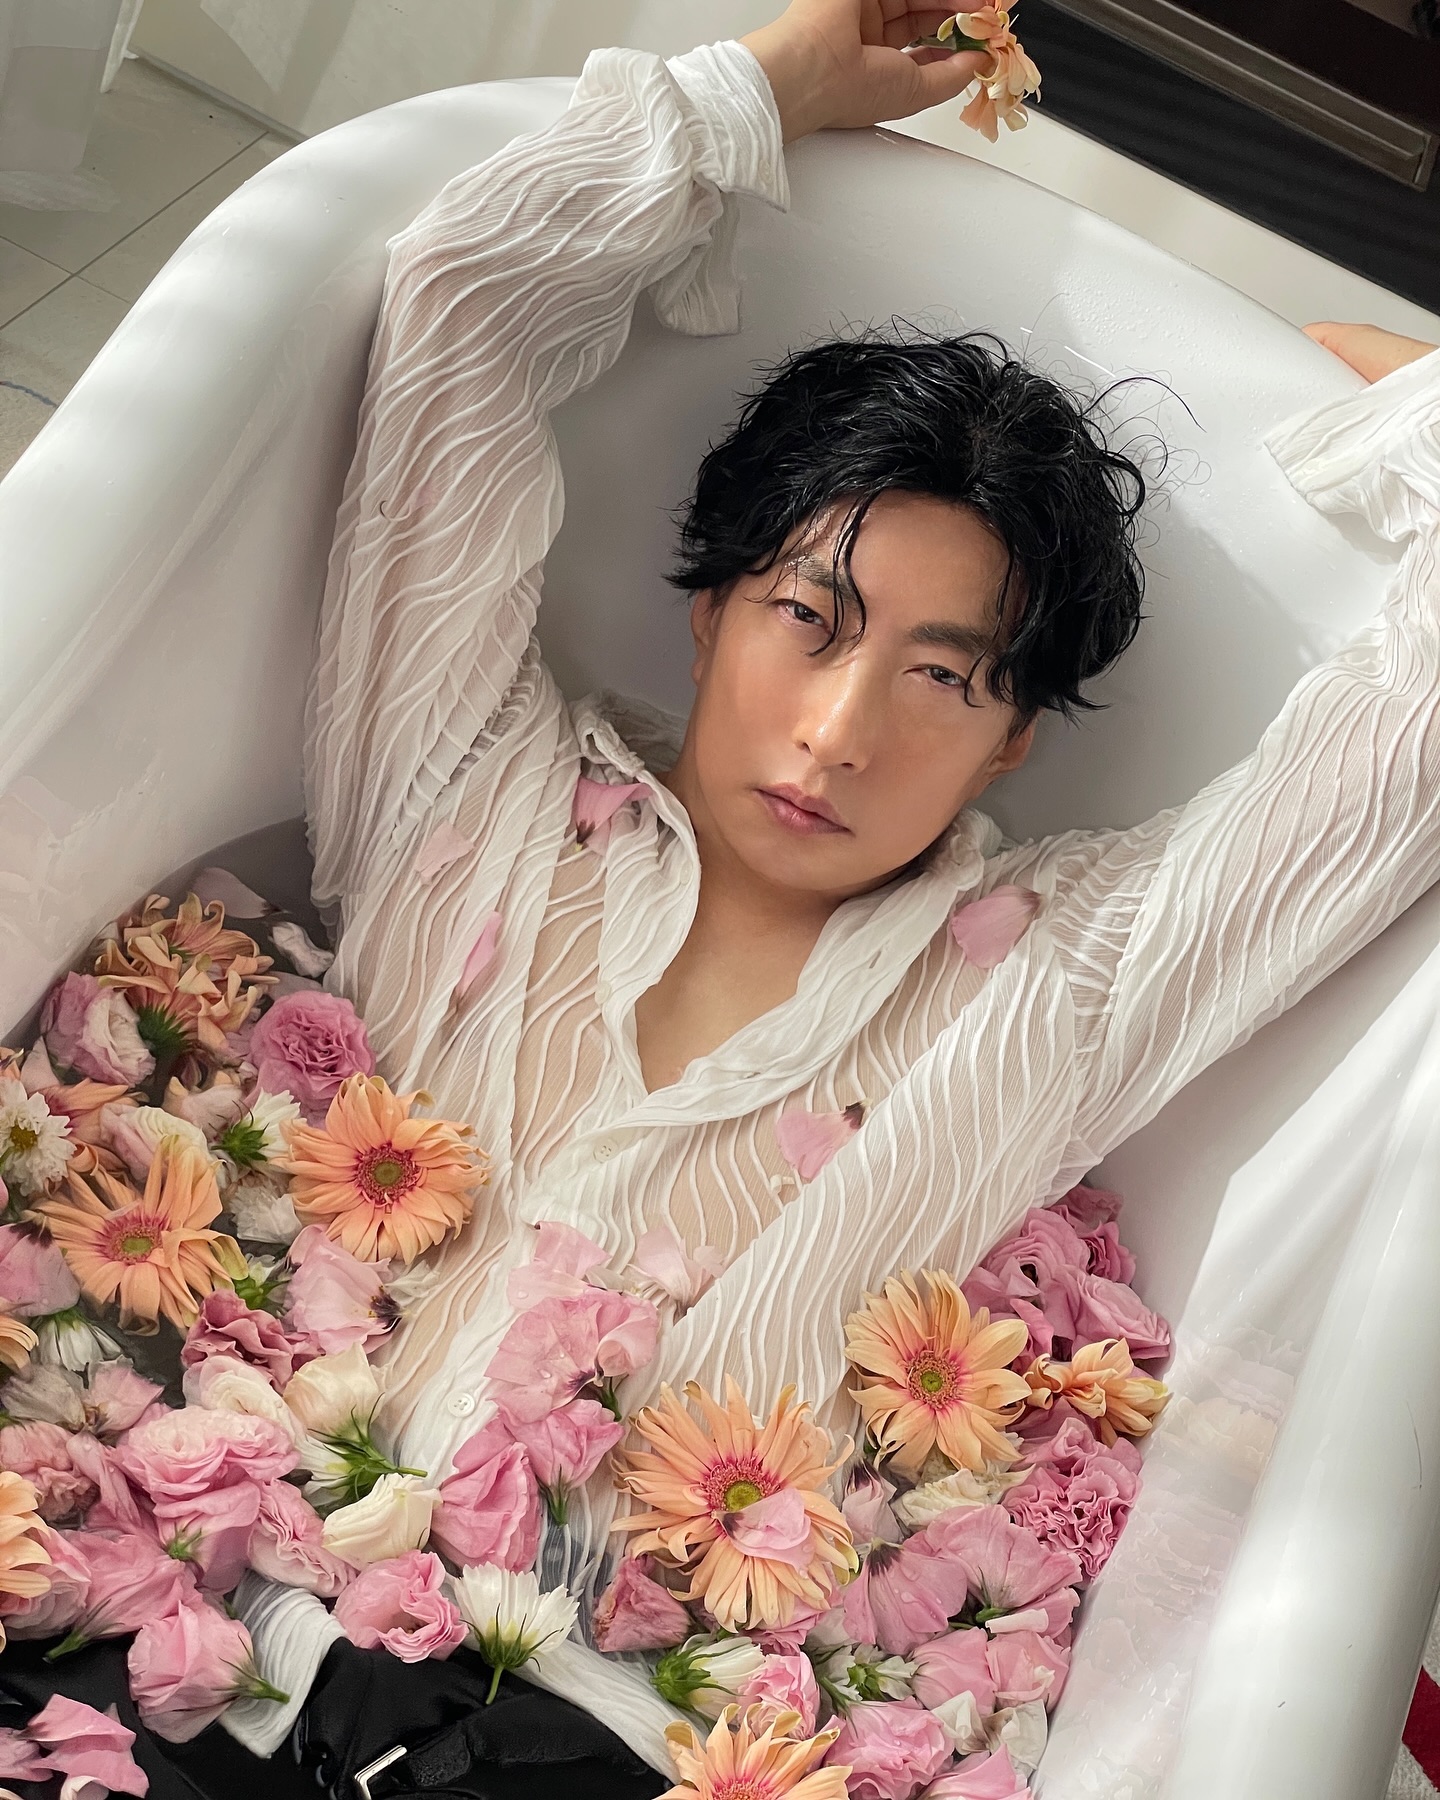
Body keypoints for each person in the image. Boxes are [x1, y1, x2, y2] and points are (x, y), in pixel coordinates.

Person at [5, 3, 1436, 1797]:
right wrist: (759, 90)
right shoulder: (471, 778)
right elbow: (457, 305)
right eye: (808, 620)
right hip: (153, 1623)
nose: (837, 733)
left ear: (1009, 742)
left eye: (942, 678)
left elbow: (1394, 775)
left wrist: (1406, 433)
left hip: (573, 1737)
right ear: (709, 612)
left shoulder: (1048, 990)